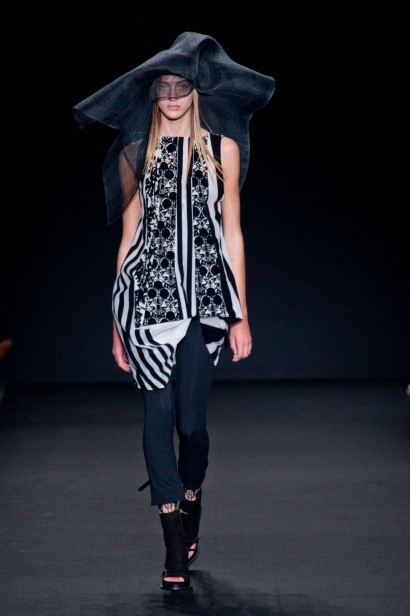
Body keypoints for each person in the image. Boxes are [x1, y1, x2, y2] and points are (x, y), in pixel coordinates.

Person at [73, 32, 275, 592]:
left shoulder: (222, 148)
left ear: (196, 89)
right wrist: (117, 321)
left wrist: (241, 314)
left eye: (180, 86)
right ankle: (171, 544)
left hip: (205, 304)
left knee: (192, 426)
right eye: (162, 87)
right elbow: (128, 237)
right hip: (145, 301)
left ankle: (191, 497)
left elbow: (232, 234)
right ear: (152, 93)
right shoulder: (135, 152)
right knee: (157, 418)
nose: (171, 97)